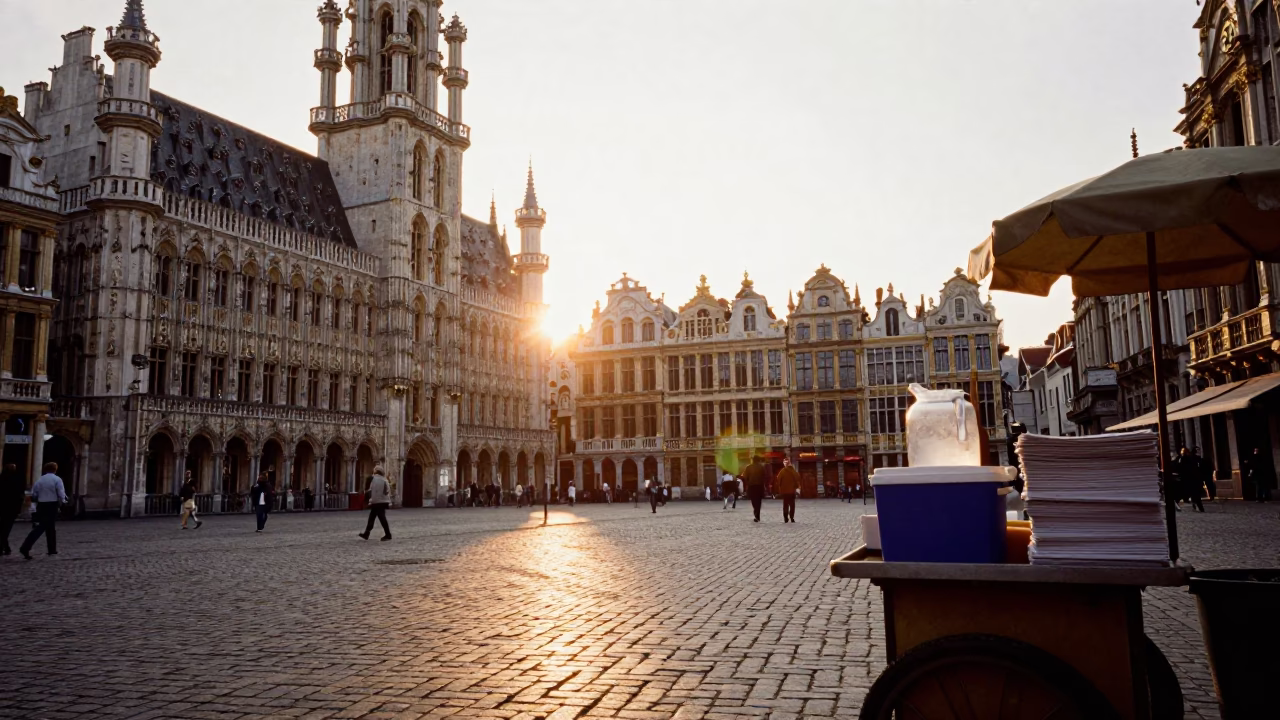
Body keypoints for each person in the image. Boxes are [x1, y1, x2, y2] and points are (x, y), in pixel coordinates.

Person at [19, 462, 67, 560]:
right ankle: (25, 547)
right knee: (43, 527)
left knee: (50, 527)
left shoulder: (40, 480)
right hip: (52, 504)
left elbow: (34, 494)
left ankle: (52, 549)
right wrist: (64, 501)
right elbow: (61, 492)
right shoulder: (57, 479)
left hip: (42, 505)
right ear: (55, 469)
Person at [360, 465, 393, 541]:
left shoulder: (372, 478)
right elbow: (387, 491)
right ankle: (367, 533)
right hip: (383, 501)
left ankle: (388, 534)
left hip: (376, 501)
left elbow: (368, 490)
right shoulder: (384, 479)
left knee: (381, 518)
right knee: (372, 516)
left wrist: (367, 499)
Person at [1, 463, 25, 556]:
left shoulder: (2, 478)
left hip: (2, 506)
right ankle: (3, 547)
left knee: (3, 528)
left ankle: (6, 547)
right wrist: (18, 508)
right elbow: (20, 496)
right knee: (6, 528)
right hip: (12, 508)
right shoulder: (17, 480)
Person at [1174, 448, 1204, 513]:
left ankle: (1198, 507)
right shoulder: (1190, 459)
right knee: (1193, 494)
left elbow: (1179, 468)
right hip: (1191, 479)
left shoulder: (1183, 459)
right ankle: (1199, 507)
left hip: (1188, 479)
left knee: (1185, 493)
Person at [743, 455, 767, 523]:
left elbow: (745, 477)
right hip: (759, 486)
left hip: (752, 486)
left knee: (753, 501)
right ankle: (757, 515)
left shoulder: (748, 467)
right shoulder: (761, 467)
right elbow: (764, 476)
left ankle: (756, 514)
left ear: (753, 460)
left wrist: (748, 483)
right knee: (758, 501)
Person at [777, 456, 800, 523]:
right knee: (792, 505)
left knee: (785, 504)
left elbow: (778, 479)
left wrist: (780, 487)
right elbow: (798, 478)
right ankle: (792, 517)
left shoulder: (782, 471)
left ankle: (785, 518)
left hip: (785, 491)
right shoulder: (793, 471)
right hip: (792, 491)